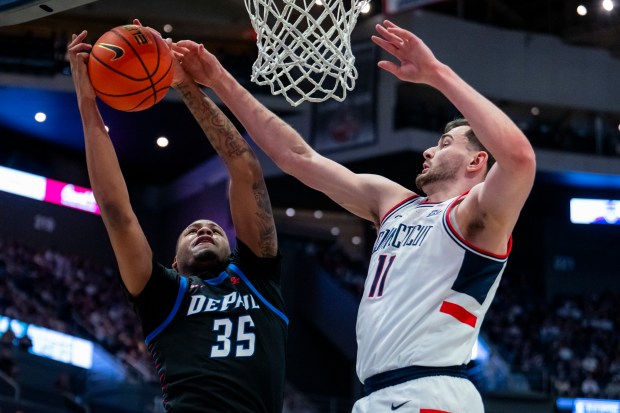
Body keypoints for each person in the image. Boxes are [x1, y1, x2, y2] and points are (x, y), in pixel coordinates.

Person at [174, 18, 536, 413]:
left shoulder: (477, 216)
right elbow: (296, 157)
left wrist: (437, 75)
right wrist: (218, 78)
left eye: (445, 143)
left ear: (478, 160)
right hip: (376, 394)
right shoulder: (393, 202)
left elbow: (519, 158)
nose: (429, 152)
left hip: (431, 392)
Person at [67, 22, 288, 413]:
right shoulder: (163, 294)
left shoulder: (259, 277)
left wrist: (184, 84)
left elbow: (244, 168)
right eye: (192, 230)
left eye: (214, 229)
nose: (204, 228)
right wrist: (87, 103)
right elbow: (118, 213)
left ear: (233, 246)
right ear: (173, 262)